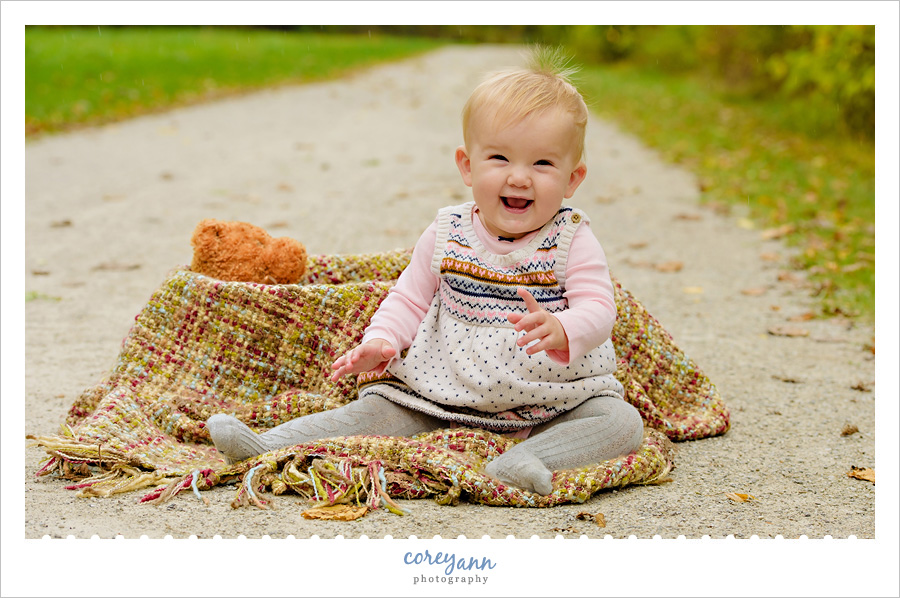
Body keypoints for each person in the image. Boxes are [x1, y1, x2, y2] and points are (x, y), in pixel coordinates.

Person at [207, 49, 644, 495]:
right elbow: (409, 297)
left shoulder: (571, 238)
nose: (519, 178)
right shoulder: (448, 231)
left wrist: (564, 327)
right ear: (467, 166)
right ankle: (266, 445)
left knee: (621, 423)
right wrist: (382, 340)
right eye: (499, 158)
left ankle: (528, 459)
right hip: (442, 391)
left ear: (573, 179)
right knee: (375, 412)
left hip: (550, 397)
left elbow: (598, 306)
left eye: (543, 163)